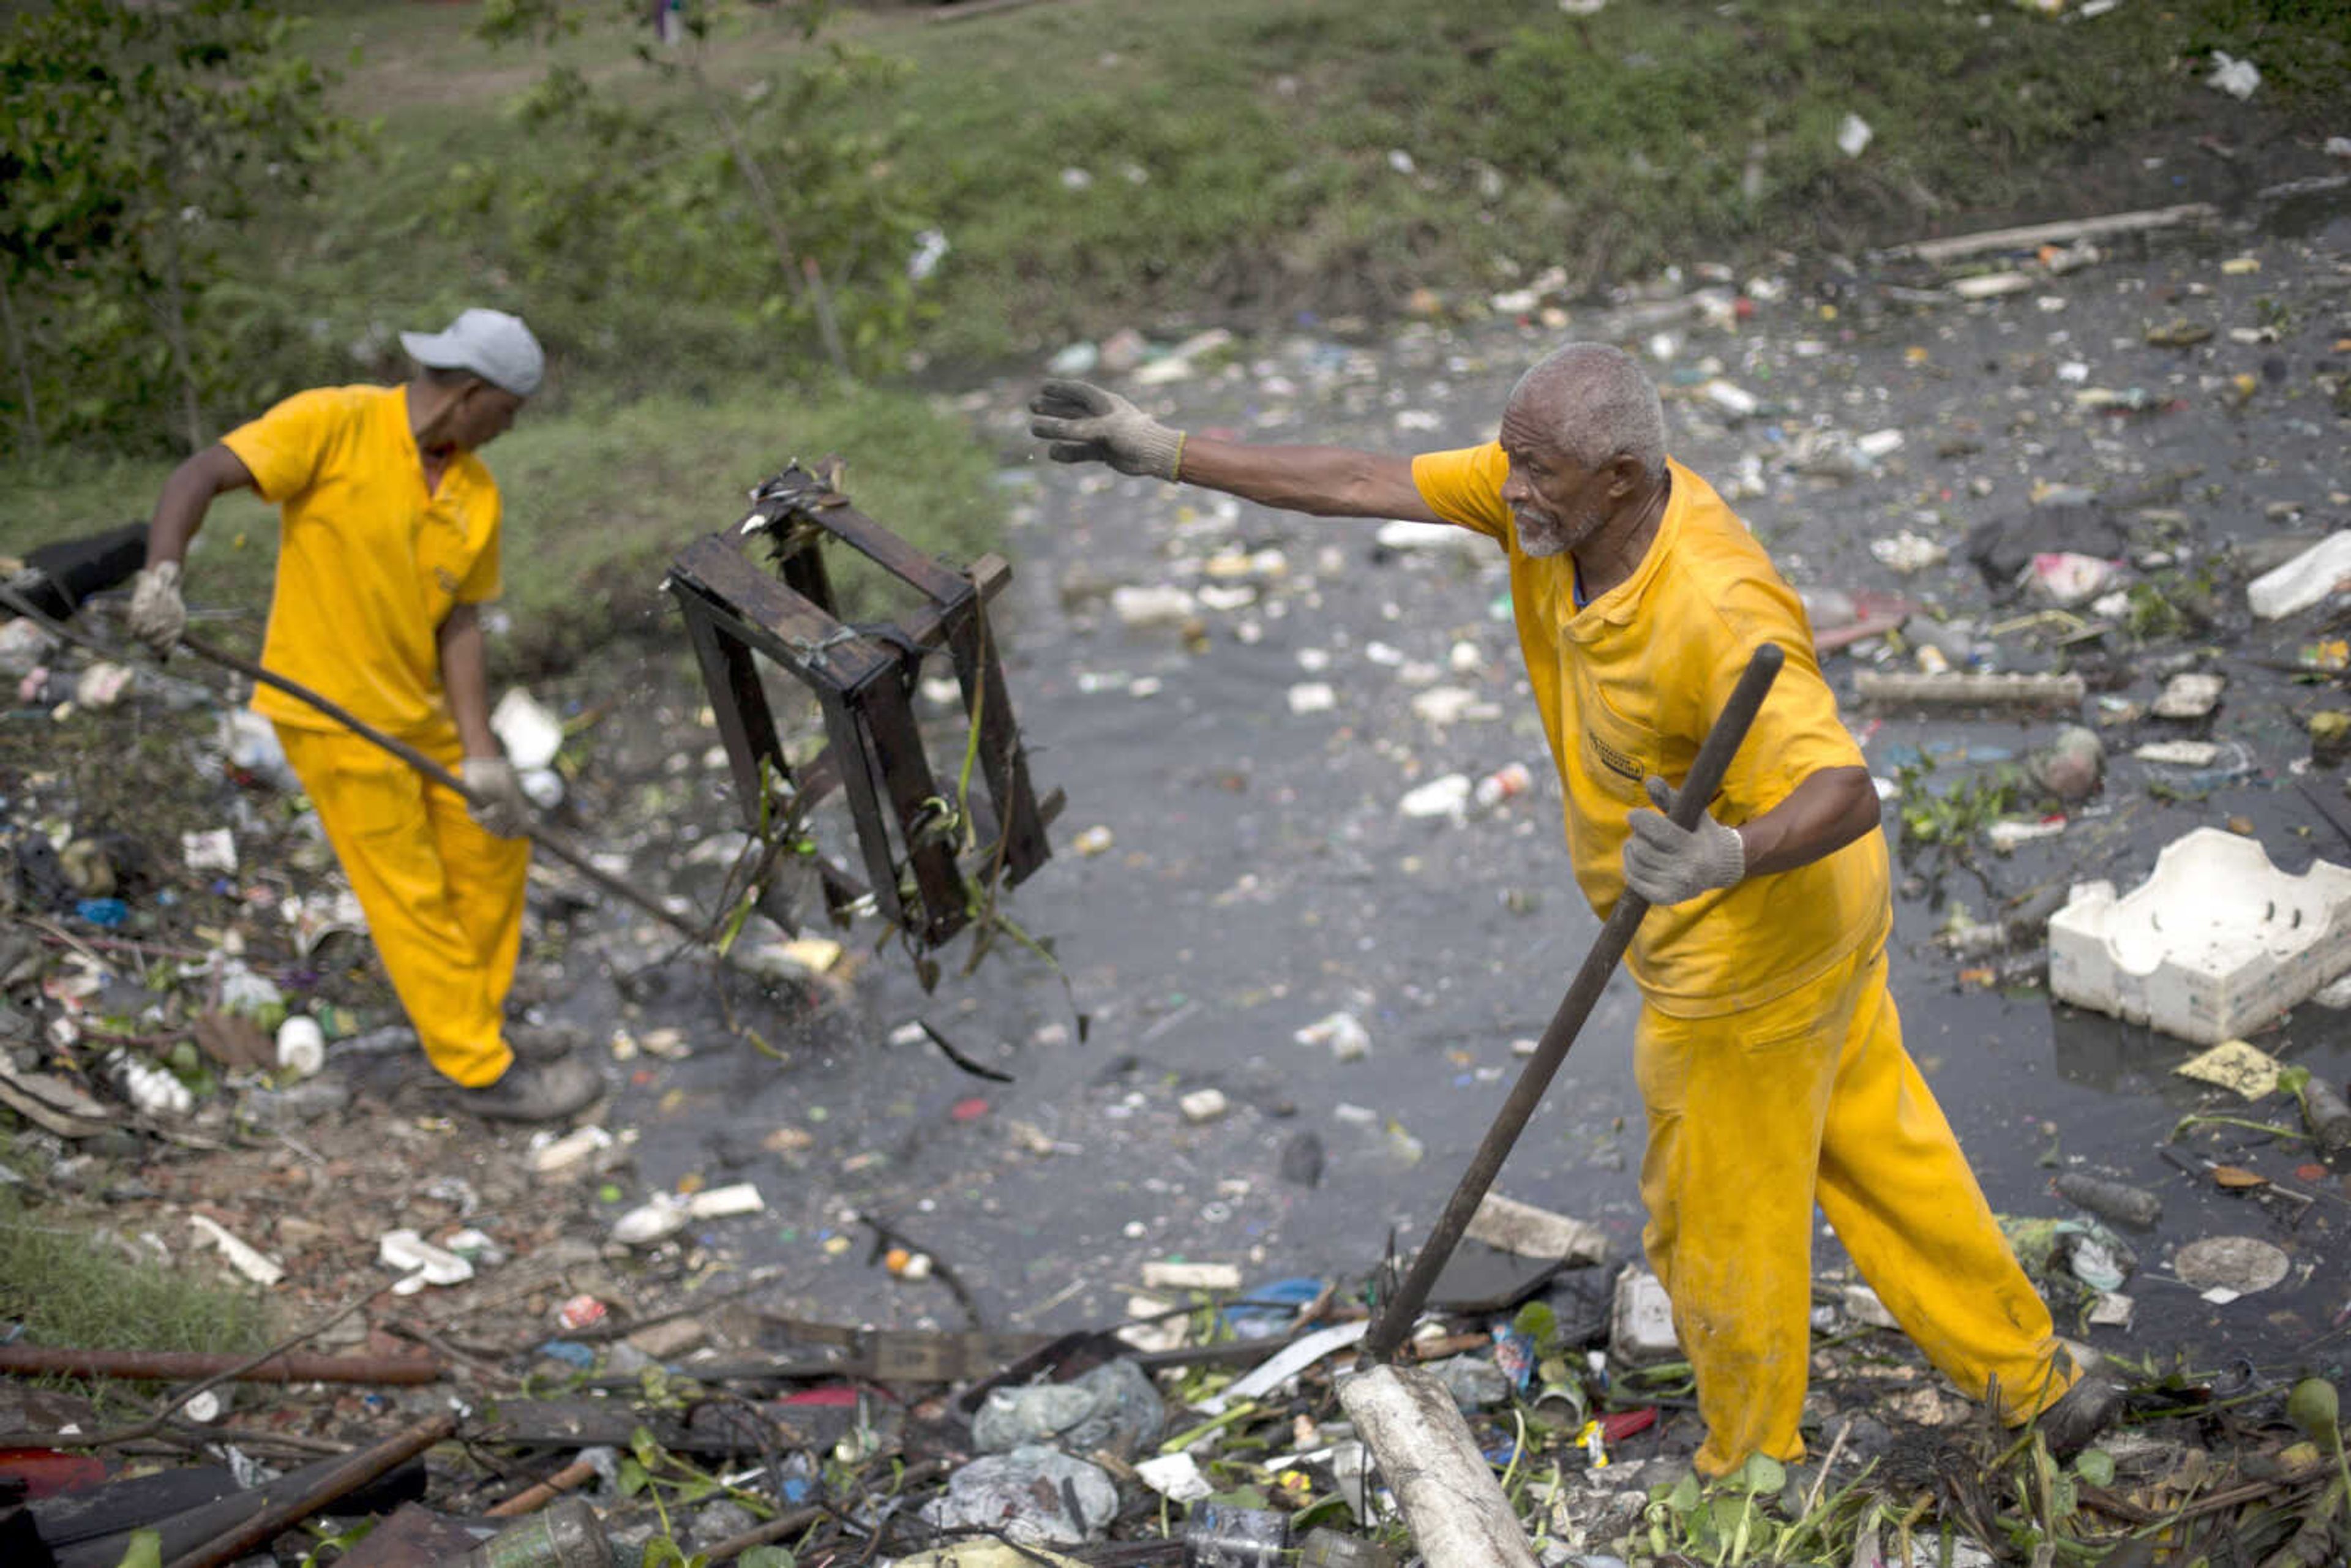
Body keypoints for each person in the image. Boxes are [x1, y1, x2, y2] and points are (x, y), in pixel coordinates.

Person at [1028, 344, 2120, 1476]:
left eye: (1538, 471)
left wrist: (1729, 852)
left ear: (1623, 476)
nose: (1510, 488)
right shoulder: (1544, 511)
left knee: (1712, 1219)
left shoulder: (1710, 600)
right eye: (1510, 460)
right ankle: (2035, 1382)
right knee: (1882, 1152)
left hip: (1746, 953)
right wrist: (1166, 452)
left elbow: (1846, 786)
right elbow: (1365, 478)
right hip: (1826, 928)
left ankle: (1749, 1469)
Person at [127, 308, 601, 1123]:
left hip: (418, 712)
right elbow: (200, 474)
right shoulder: (335, 423)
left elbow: (460, 623)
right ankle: (480, 1071)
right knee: (408, 888)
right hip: (333, 713)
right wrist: (162, 575)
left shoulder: (474, 492)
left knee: (494, 846)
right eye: (509, 412)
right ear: (475, 394)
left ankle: (473, 1022)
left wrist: (481, 752)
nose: (510, 429)